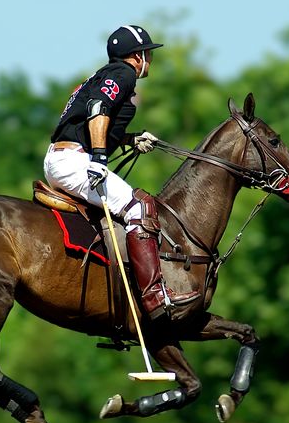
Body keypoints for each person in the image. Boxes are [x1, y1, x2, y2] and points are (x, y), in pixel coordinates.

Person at [45, 24, 198, 320]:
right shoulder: (124, 74)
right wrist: (100, 159)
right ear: (137, 56)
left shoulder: (105, 74)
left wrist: (129, 138)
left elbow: (92, 118)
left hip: (65, 158)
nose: (150, 60)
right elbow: (98, 109)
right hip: (75, 161)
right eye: (148, 54)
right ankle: (155, 296)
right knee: (139, 207)